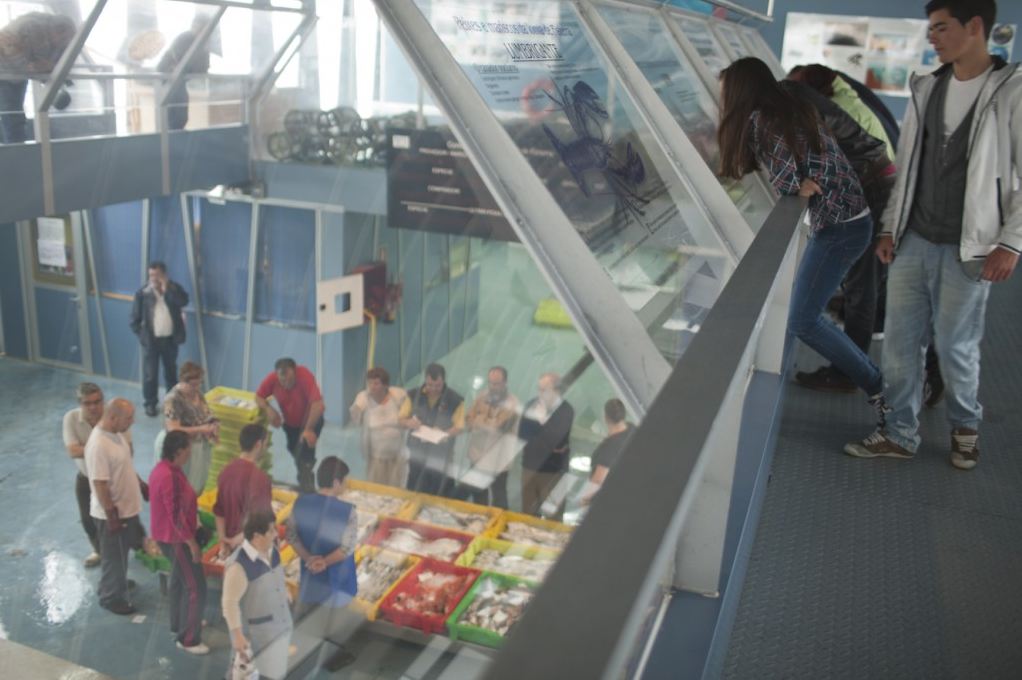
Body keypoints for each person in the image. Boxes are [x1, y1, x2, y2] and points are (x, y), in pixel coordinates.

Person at [845, 0, 1021, 470]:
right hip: (914, 238)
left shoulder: (1012, 91)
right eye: (932, 29)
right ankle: (900, 431)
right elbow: (908, 170)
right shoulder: (926, 88)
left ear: (976, 26)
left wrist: (1012, 242)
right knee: (901, 344)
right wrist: (889, 229)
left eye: (941, 28)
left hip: (972, 245)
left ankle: (966, 428)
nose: (932, 37)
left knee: (955, 344)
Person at [718, 57, 890, 428]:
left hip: (840, 228)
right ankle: (875, 382)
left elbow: (790, 181)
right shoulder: (790, 108)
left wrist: (793, 185)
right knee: (805, 314)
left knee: (802, 319)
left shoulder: (764, 120)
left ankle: (876, 384)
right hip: (851, 220)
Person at [778, 73, 896, 393]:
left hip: (875, 191)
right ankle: (852, 368)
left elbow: (828, 157)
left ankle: (849, 374)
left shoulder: (826, 111)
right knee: (860, 285)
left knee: (862, 287)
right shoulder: (838, 103)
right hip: (876, 184)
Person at [286, 457, 358, 671]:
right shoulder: (348, 510)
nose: (345, 485)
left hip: (310, 573)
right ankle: (332, 657)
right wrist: (324, 562)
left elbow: (291, 536)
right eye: (344, 481)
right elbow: (346, 548)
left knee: (312, 614)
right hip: (337, 576)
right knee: (334, 619)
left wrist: (309, 558)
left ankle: (310, 651)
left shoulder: (300, 503)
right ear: (336, 482)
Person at [148, 430, 209, 655]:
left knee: (178, 582)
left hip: (168, 536)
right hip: (176, 539)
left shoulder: (164, 469)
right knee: (196, 585)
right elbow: (175, 516)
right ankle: (189, 638)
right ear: (178, 451)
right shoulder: (170, 476)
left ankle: (182, 622)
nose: (189, 455)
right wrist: (192, 544)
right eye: (187, 451)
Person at [85, 398, 147, 615]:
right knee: (114, 557)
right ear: (112, 417)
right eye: (128, 418)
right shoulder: (98, 445)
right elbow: (99, 484)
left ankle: (116, 583)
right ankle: (110, 597)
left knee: (122, 552)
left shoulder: (117, 434)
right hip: (112, 514)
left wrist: (140, 484)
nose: (132, 422)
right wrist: (112, 515)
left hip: (126, 509)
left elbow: (125, 465)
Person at [222, 509, 293, 680]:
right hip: (258, 637)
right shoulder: (238, 567)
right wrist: (237, 636)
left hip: (281, 627)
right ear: (257, 536)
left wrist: (284, 590)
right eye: (271, 531)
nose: (276, 533)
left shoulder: (273, 551)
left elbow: (276, 575)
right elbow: (229, 603)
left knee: (276, 672)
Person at [0, 12, 76, 144]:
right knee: (12, 115)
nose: (64, 44)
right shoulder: (31, 28)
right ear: (59, 31)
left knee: (14, 115)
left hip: (16, 74)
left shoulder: (51, 33)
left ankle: (16, 149)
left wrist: (45, 67)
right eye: (65, 39)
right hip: (6, 74)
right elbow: (24, 63)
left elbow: (51, 64)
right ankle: (15, 153)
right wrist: (39, 67)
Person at [256, 358, 325, 493]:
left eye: (290, 380)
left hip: (311, 420)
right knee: (294, 451)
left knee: (305, 453)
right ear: (277, 375)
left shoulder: (304, 375)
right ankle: (305, 478)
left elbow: (318, 405)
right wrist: (269, 409)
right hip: (291, 424)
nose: (287, 384)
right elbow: (258, 397)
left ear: (295, 372)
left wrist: (308, 429)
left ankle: (308, 488)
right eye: (283, 381)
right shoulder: (272, 378)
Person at [130, 261, 189, 418]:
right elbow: (134, 320)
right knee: (150, 374)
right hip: (151, 341)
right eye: (151, 275)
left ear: (164, 274)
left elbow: (183, 301)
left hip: (170, 339)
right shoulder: (143, 293)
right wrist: (143, 337)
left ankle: (172, 403)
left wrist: (166, 287)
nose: (153, 278)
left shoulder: (174, 289)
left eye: (157, 275)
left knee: (171, 372)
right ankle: (150, 403)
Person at [459, 366, 520, 508]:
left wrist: (479, 421)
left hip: (498, 460)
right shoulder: (482, 396)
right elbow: (468, 419)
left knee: (499, 496)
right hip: (478, 455)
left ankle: (499, 525)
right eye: (490, 383)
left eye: (496, 384)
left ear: (505, 383)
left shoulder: (513, 404)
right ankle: (479, 523)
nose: (493, 387)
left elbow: (498, 428)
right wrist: (483, 422)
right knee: (478, 493)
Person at [400, 363, 464, 496]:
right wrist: (409, 422)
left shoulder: (455, 400)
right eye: (429, 385)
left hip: (441, 455)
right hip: (417, 453)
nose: (433, 389)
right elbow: (400, 419)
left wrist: (443, 434)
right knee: (416, 489)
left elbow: (459, 427)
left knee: (440, 490)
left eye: (437, 386)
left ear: (444, 381)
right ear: (425, 380)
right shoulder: (412, 395)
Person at [518, 372, 574, 519]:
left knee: (554, 518)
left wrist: (542, 420)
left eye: (544, 390)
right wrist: (547, 442)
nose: (540, 393)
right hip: (530, 468)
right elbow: (522, 435)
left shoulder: (566, 410)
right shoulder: (531, 405)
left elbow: (557, 441)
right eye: (539, 389)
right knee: (528, 515)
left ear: (556, 390)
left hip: (554, 472)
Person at [62, 382, 106, 568]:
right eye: (88, 403)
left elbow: (126, 449)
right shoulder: (71, 418)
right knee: (88, 520)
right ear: (80, 403)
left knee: (118, 519)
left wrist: (86, 449)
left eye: (97, 402)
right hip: (86, 477)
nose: (93, 407)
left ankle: (129, 548)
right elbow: (72, 451)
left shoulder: (112, 415)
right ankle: (99, 551)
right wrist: (103, 449)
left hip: (109, 478)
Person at [214, 423, 273, 557]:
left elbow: (219, 512)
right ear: (258, 444)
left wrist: (224, 541)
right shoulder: (260, 479)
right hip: (251, 546)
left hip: (230, 546)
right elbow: (260, 522)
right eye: (266, 444)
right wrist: (237, 540)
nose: (266, 448)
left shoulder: (225, 472)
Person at [161, 360, 218, 494]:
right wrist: (201, 429)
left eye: (199, 383)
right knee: (186, 485)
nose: (197, 387)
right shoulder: (173, 399)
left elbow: (207, 414)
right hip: (183, 448)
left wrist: (214, 426)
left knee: (199, 483)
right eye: (193, 385)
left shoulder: (197, 394)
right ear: (182, 381)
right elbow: (173, 430)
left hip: (200, 445)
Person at [348, 367, 408, 487]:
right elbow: (355, 419)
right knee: (376, 489)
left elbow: (408, 413)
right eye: (370, 383)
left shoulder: (397, 396)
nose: (372, 386)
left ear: (385, 385)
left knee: (395, 490)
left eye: (376, 383)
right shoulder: (363, 399)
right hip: (376, 458)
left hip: (396, 456)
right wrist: (357, 407)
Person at [157, 15, 212, 131]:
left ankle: (177, 133)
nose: (201, 30)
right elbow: (182, 60)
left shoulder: (202, 42)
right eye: (199, 27)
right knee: (175, 113)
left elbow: (203, 67)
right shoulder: (185, 38)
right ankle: (173, 136)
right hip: (169, 78)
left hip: (179, 80)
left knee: (181, 112)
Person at [582, 399, 634, 505]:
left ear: (605, 417)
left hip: (606, 500)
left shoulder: (609, 448)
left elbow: (598, 481)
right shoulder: (632, 429)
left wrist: (584, 500)